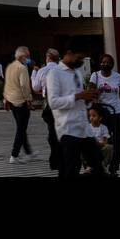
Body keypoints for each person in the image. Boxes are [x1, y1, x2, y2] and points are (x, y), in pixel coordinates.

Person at [45, 46, 104, 177]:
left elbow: (80, 100)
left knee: (97, 162)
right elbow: (53, 102)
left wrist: (89, 98)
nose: (81, 61)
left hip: (84, 128)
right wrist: (78, 96)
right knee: (70, 168)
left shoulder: (77, 72)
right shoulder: (55, 73)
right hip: (68, 129)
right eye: (79, 58)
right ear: (69, 53)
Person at [89, 54, 120, 175]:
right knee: (103, 139)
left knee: (117, 141)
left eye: (108, 62)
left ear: (112, 64)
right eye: (102, 62)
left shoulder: (118, 77)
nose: (105, 64)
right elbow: (90, 93)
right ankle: (101, 164)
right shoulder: (95, 76)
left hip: (117, 113)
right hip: (102, 114)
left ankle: (114, 167)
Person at [4, 46, 35, 163]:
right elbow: (24, 86)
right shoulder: (22, 68)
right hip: (21, 101)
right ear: (22, 56)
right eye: (27, 56)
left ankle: (28, 152)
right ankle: (14, 155)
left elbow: (7, 85)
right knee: (21, 129)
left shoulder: (10, 67)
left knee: (21, 128)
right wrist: (29, 100)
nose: (28, 59)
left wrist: (5, 100)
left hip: (12, 101)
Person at [32, 49, 61, 171]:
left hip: (49, 104)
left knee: (52, 132)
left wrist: (34, 72)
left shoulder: (42, 71)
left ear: (48, 58)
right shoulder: (62, 70)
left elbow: (35, 87)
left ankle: (55, 160)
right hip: (63, 103)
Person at [87, 105, 113, 172]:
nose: (91, 118)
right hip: (90, 147)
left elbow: (105, 141)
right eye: (90, 116)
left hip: (100, 146)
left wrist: (100, 144)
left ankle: (103, 164)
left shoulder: (103, 128)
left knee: (109, 147)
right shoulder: (88, 127)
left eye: (94, 116)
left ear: (100, 118)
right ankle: (89, 165)